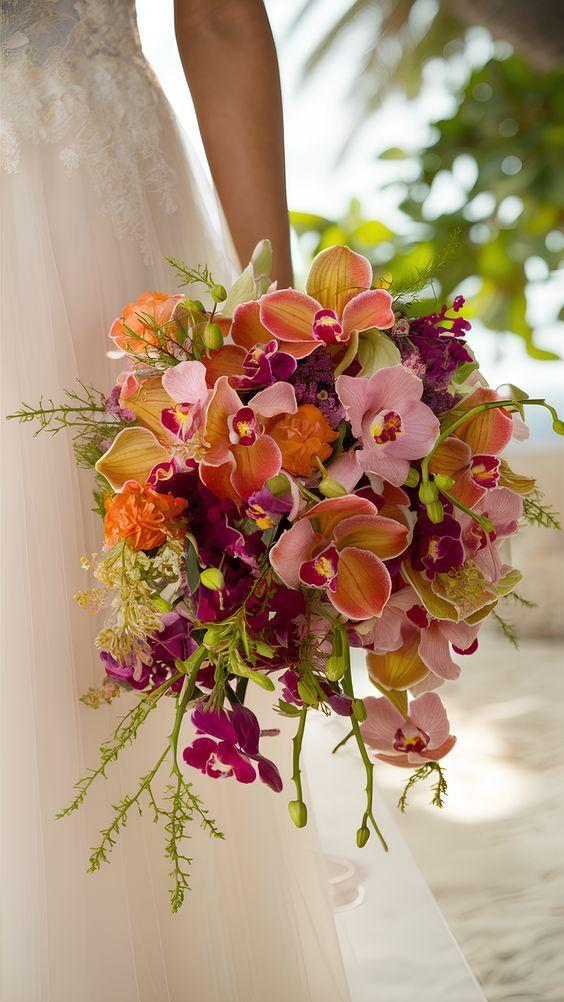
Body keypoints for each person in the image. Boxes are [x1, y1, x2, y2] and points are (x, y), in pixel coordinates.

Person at [0, 2, 350, 999]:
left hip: (93, 221)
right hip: (84, 186)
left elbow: (225, 17)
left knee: (116, 622)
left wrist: (282, 338)